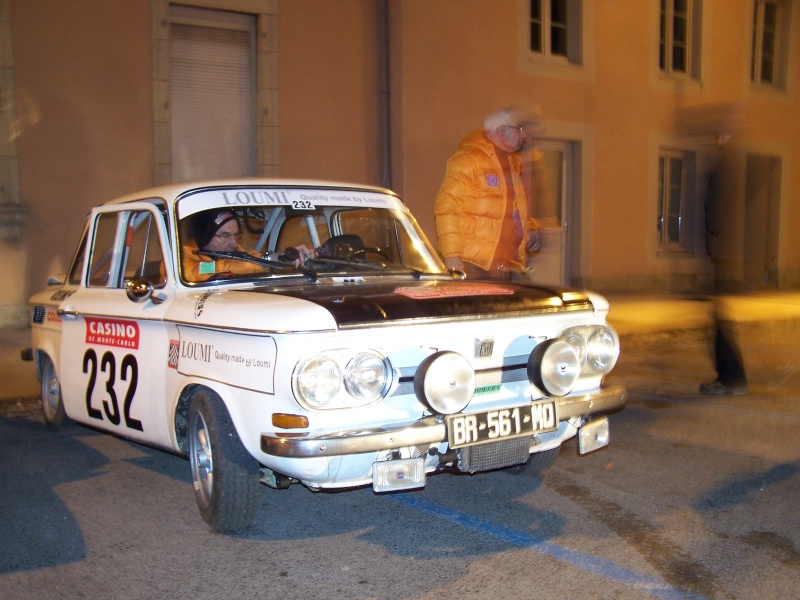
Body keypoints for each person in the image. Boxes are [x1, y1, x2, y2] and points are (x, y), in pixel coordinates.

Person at [434, 106, 541, 280]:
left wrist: (530, 229)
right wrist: (452, 254)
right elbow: (447, 206)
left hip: (509, 267)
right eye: (519, 129)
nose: (523, 135)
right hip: (474, 267)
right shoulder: (469, 159)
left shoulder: (513, 165)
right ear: (501, 131)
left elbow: (512, 210)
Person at [182, 208, 312, 282]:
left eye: (236, 235)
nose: (233, 243)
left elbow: (256, 258)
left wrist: (287, 257)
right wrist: (256, 263)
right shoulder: (181, 260)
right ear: (204, 236)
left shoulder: (239, 253)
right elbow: (196, 272)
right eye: (225, 236)